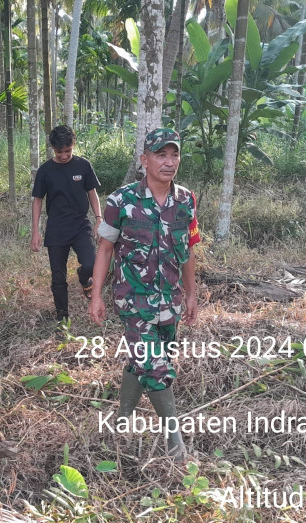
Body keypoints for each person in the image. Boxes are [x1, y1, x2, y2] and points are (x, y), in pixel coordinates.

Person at [88, 128, 201, 462]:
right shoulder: (121, 201)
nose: (168, 162)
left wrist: (192, 294)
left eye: (174, 155)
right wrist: (96, 296)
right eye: (161, 155)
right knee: (154, 365)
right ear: (144, 160)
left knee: (144, 359)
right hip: (133, 300)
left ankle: (122, 418)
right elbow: (105, 249)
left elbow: (190, 249)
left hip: (170, 300)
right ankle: (174, 440)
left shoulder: (186, 200)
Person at [30, 125, 102, 322]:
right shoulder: (45, 171)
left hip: (81, 224)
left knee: (91, 264)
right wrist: (35, 231)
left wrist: (98, 219)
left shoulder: (83, 165)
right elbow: (37, 200)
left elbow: (92, 193)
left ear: (73, 145)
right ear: (53, 148)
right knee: (58, 276)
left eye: (68, 150)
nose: (64, 155)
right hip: (56, 227)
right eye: (59, 151)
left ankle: (82, 276)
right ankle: (63, 316)